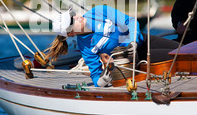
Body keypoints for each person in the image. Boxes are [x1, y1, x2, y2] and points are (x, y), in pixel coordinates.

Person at [47, 5, 179, 87]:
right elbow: (95, 74)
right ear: (71, 33)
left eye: (72, 15)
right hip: (131, 59)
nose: (76, 17)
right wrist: (100, 81)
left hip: (141, 39)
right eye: (71, 20)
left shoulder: (98, 11)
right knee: (177, 57)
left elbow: (130, 21)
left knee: (182, 48)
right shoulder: (85, 47)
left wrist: (132, 41)